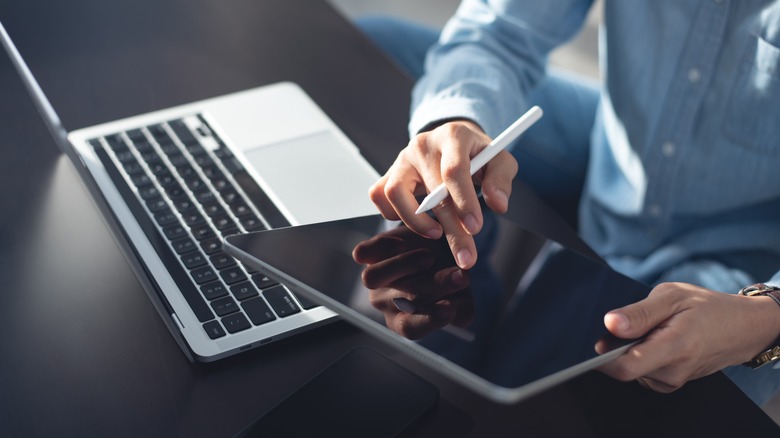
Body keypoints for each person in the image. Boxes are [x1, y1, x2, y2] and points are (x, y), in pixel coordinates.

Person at [356, 0, 780, 406]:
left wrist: (766, 316)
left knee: (659, 392)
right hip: (619, 145)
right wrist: (456, 123)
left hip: (748, 263)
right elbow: (499, 33)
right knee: (376, 45)